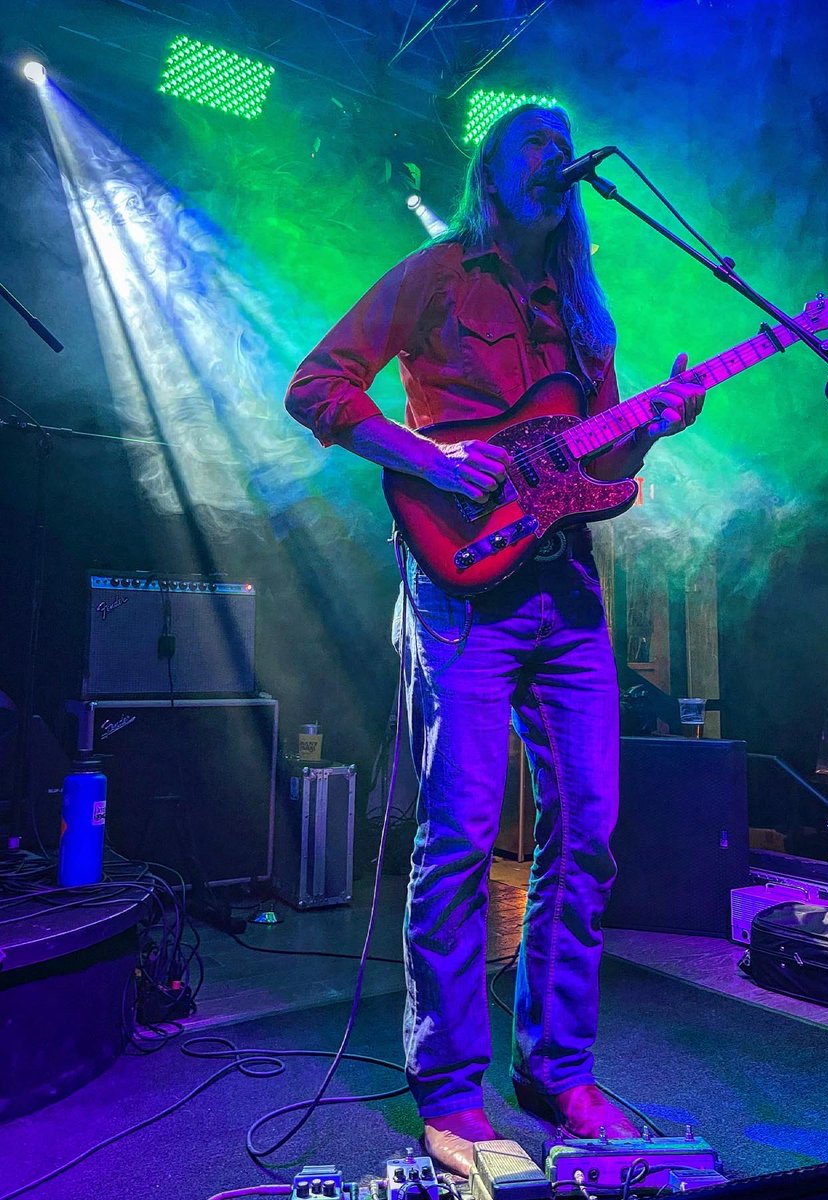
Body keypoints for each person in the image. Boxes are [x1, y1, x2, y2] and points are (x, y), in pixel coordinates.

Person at [285, 104, 704, 1176]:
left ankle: (556, 1069)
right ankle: (450, 1088)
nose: (553, 151)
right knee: (463, 834)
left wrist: (648, 428)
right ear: (492, 167)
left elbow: (598, 489)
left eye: (562, 138)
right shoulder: (435, 274)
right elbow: (318, 387)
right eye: (532, 136)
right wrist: (429, 461)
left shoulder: (583, 313)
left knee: (592, 830)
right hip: (458, 584)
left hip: (562, 594)